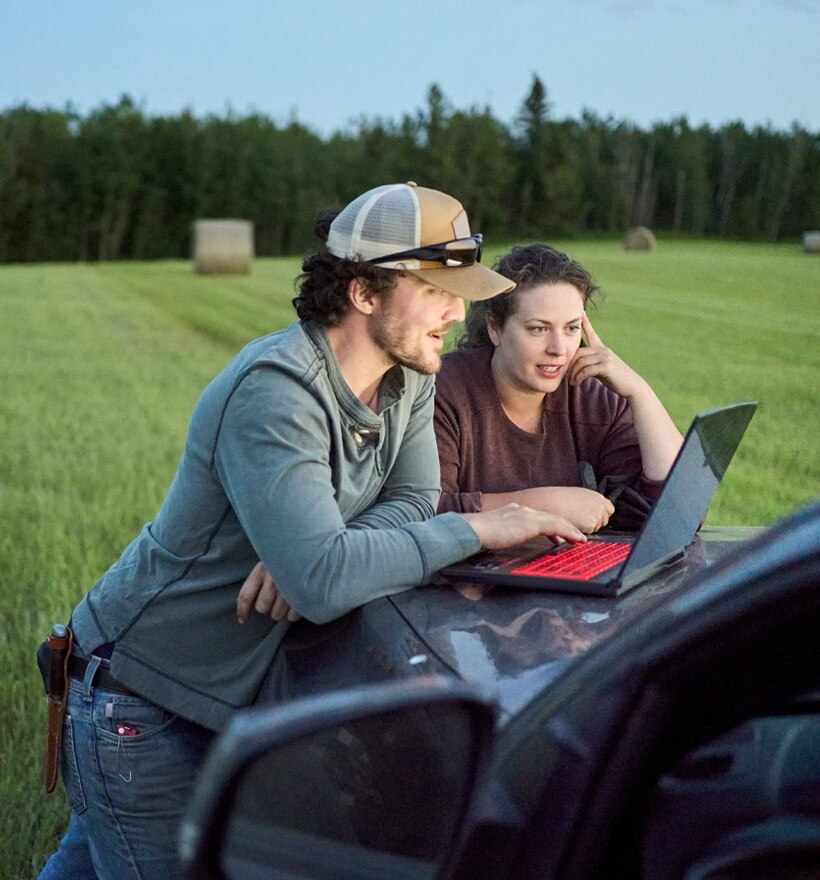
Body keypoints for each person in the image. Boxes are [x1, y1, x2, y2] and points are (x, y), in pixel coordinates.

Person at [38, 184, 586, 880]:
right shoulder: (277, 392)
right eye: (438, 291)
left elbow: (413, 498)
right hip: (141, 697)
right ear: (363, 291)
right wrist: (476, 529)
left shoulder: (408, 374)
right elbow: (324, 580)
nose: (460, 311)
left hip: (217, 694)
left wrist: (328, 550)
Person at [434, 242, 683, 533]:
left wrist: (641, 395)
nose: (558, 349)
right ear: (495, 327)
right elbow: (424, 512)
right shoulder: (446, 390)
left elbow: (675, 516)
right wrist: (545, 505)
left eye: (571, 329)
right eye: (538, 329)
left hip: (569, 575)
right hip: (470, 576)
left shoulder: (591, 397)